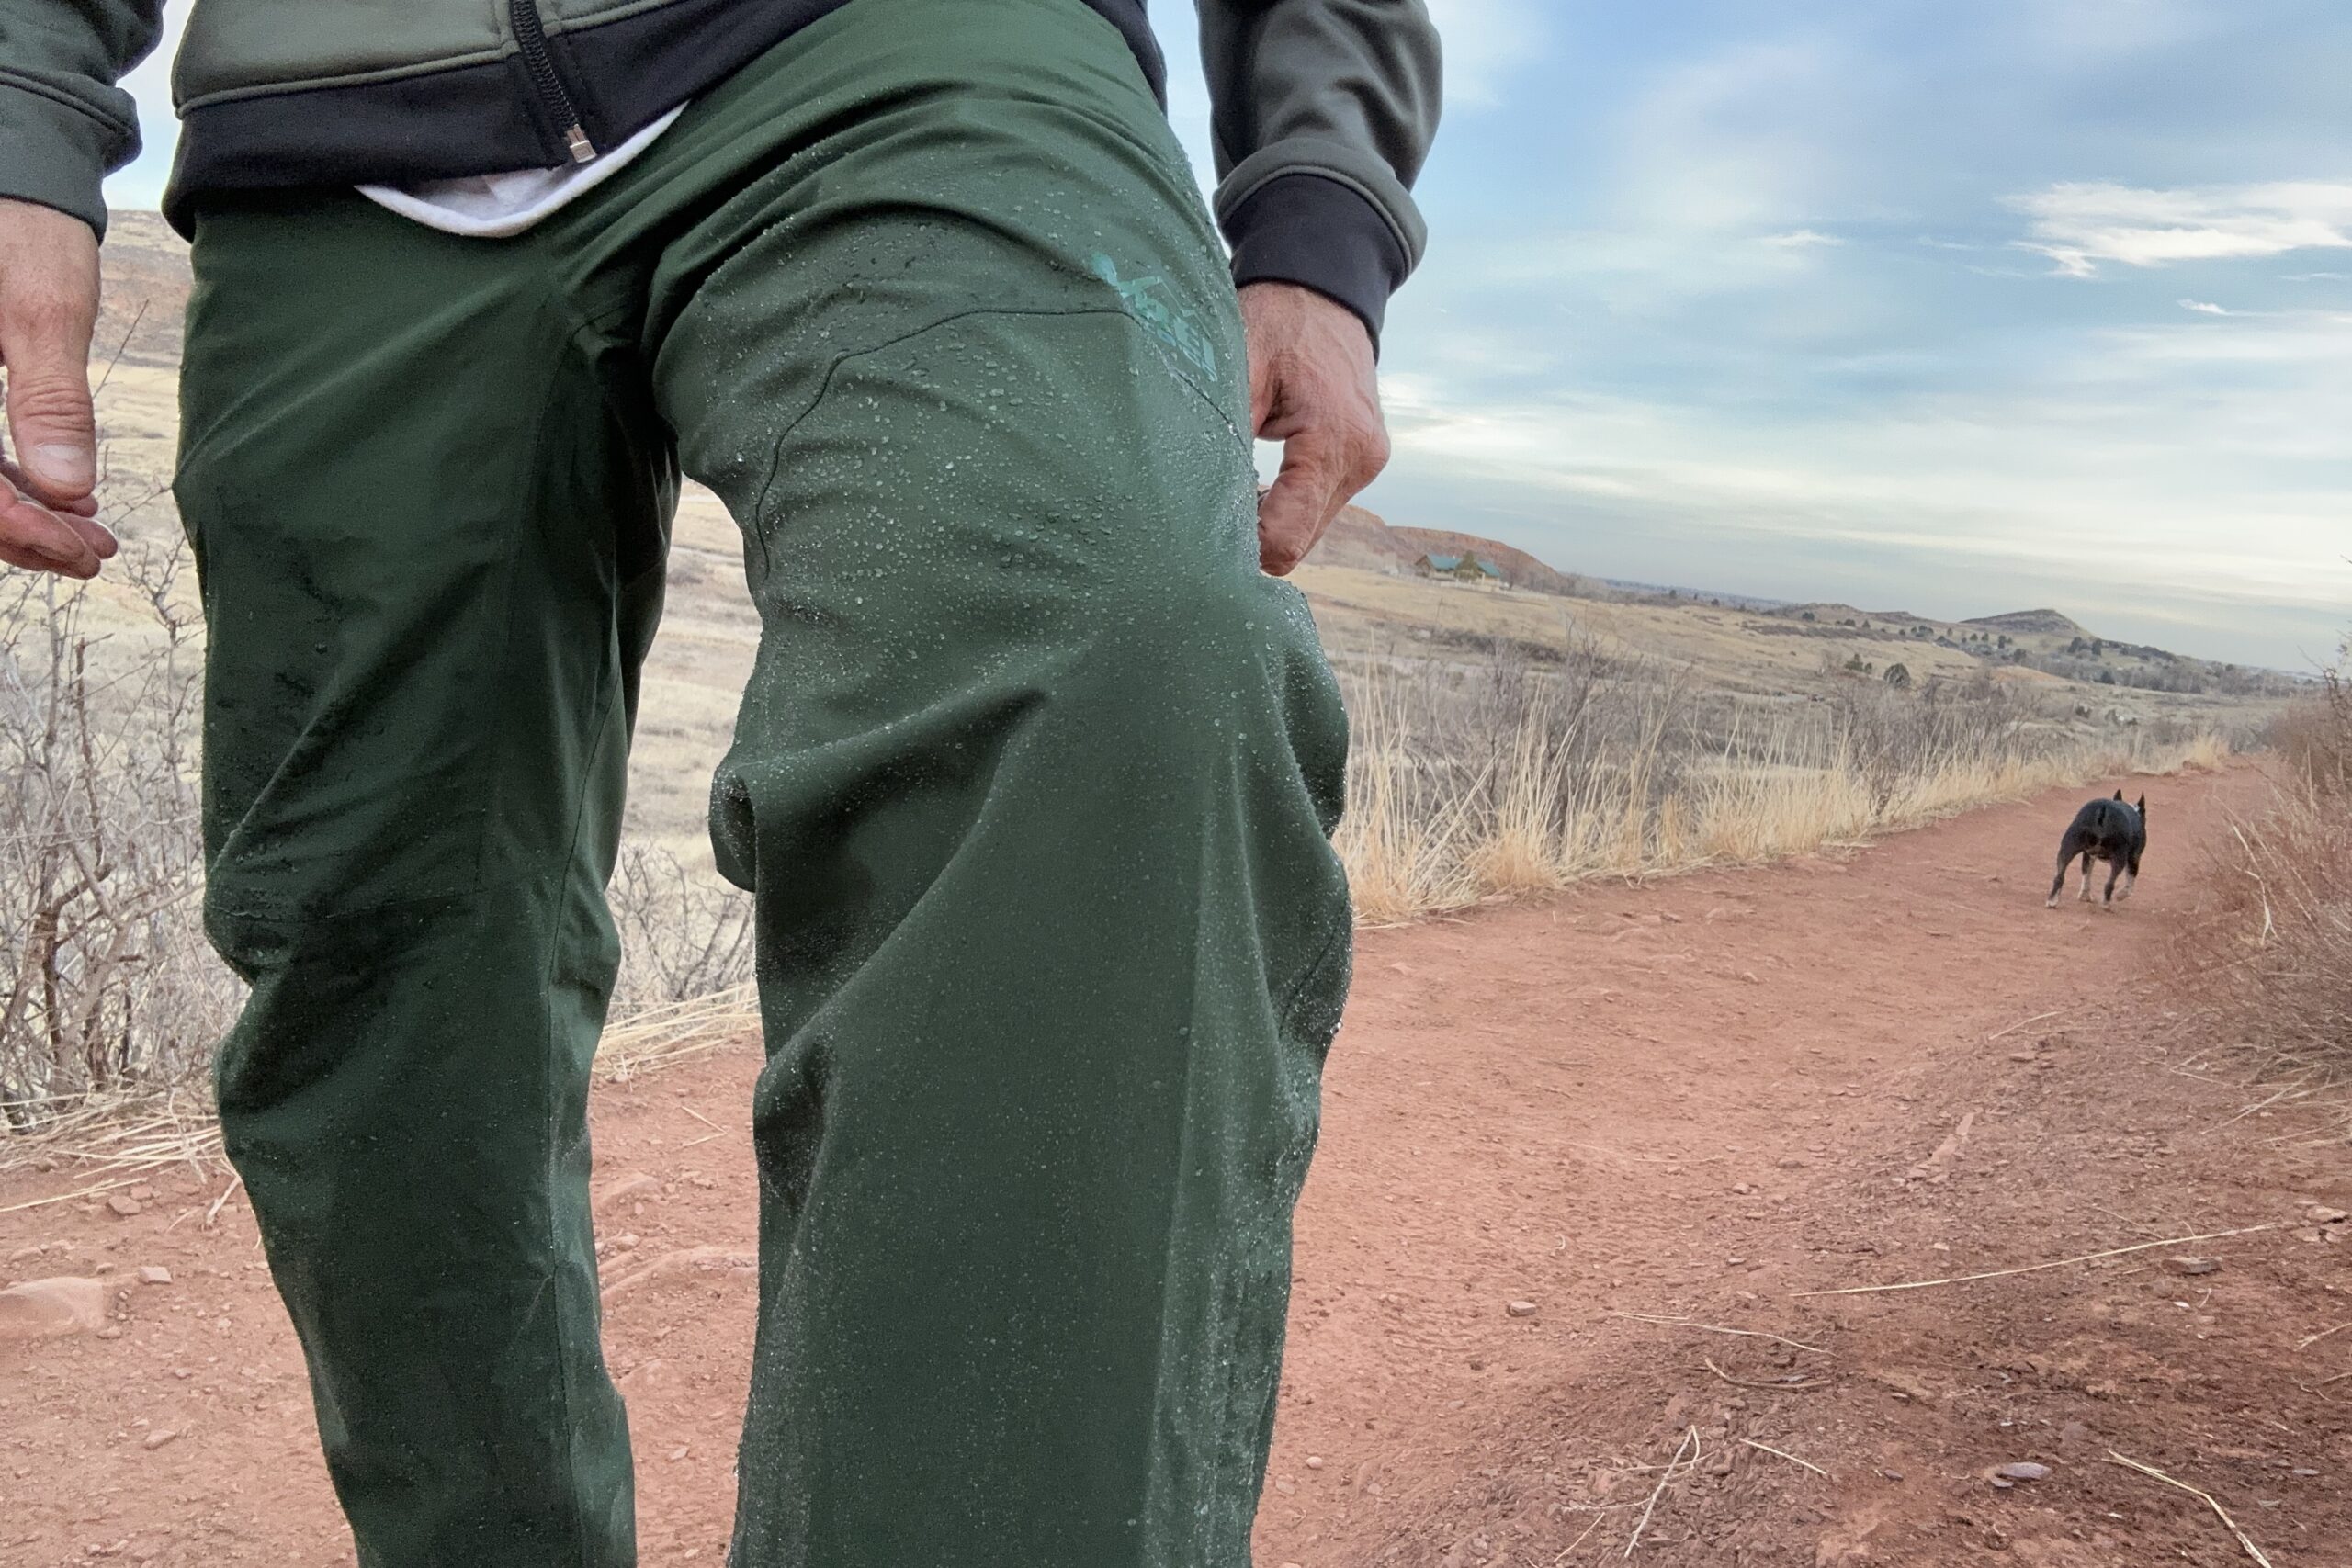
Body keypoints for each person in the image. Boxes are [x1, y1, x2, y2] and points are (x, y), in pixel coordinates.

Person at [0, 0, 1438, 1561]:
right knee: (377, 958)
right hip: (342, 124)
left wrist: (1324, 192)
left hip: (919, 58)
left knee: (1112, 662)